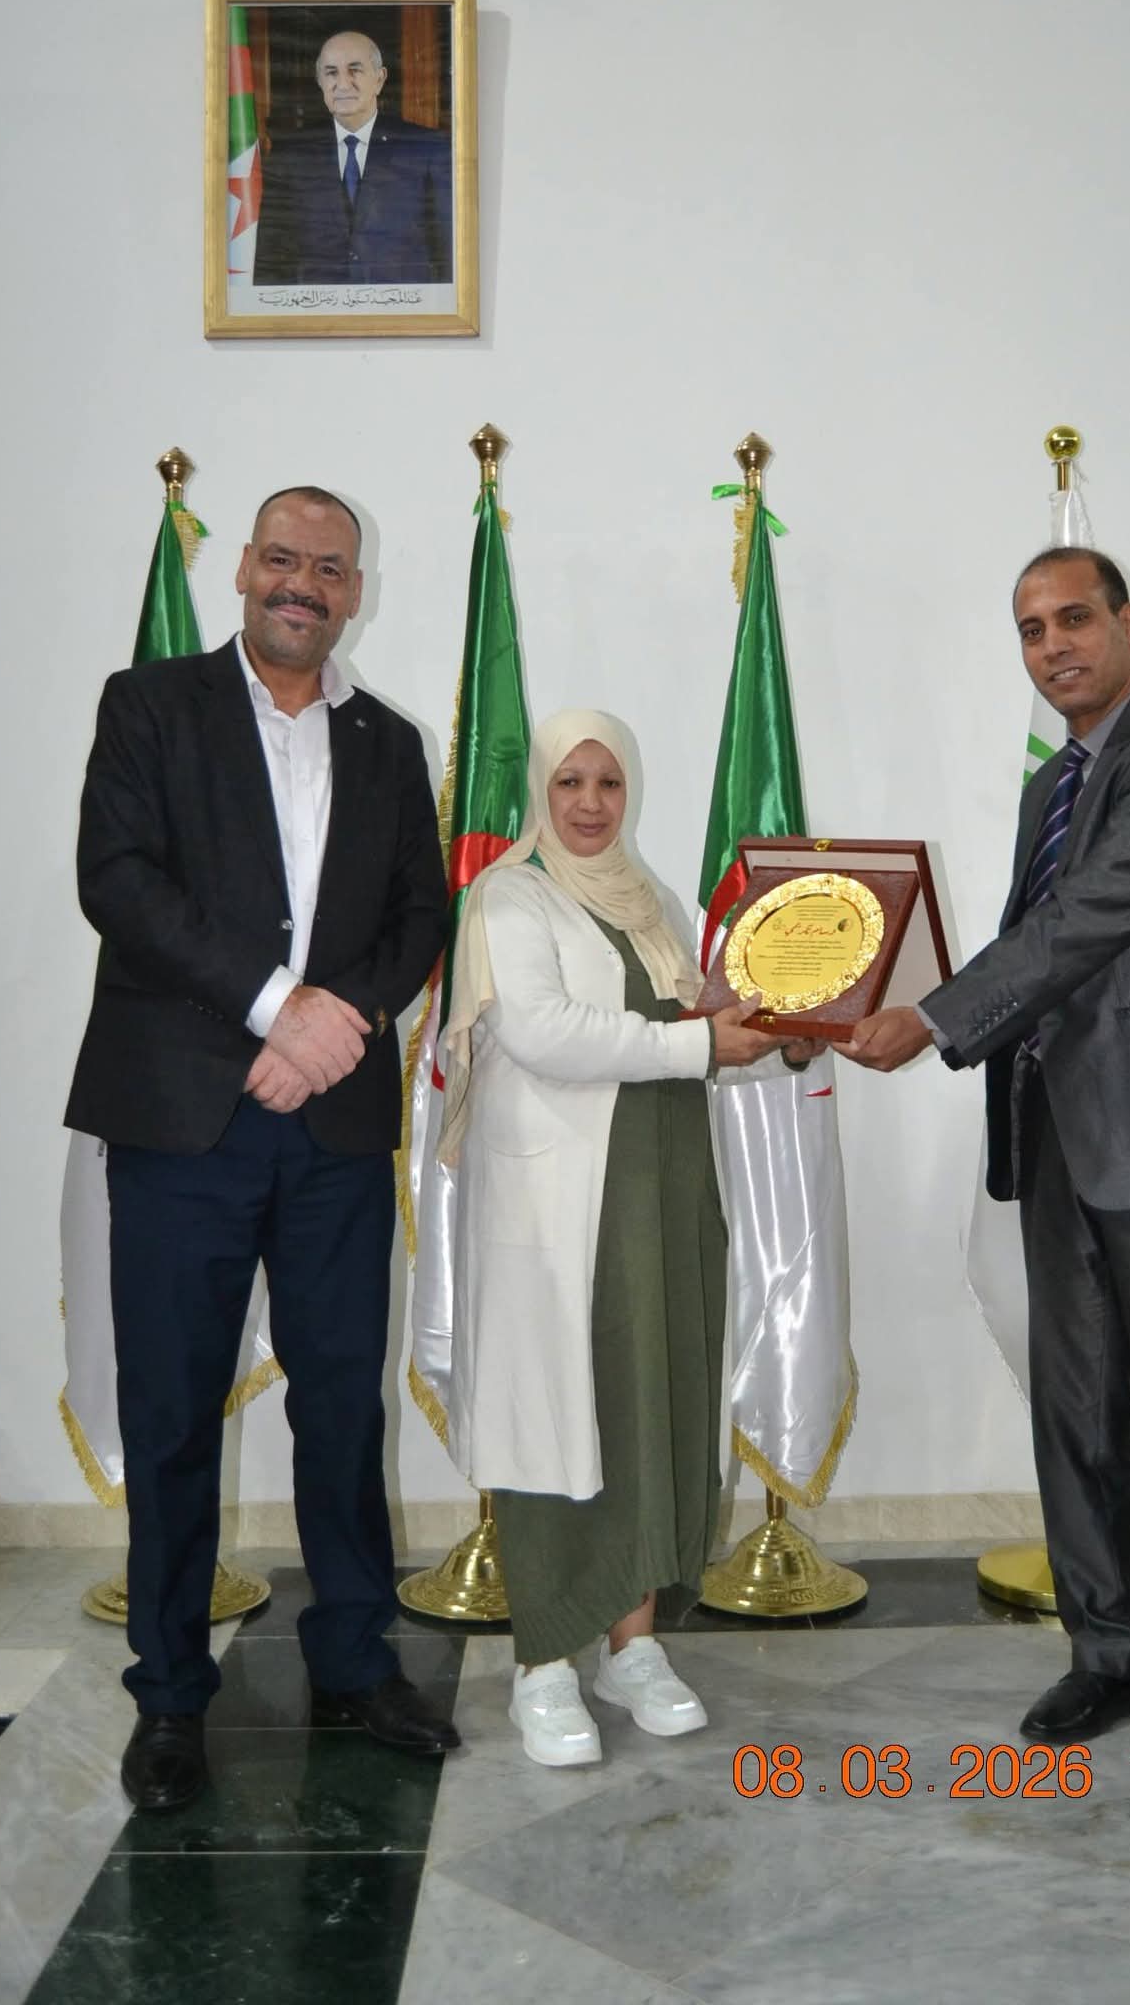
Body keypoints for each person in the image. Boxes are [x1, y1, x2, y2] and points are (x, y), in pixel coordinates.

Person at [839, 548, 1130, 1777]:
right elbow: (1039, 937)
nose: (1053, 646)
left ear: (1129, 620)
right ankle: (1110, 1648)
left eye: (1075, 618)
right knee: (1075, 1411)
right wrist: (872, 991)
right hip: (1056, 1137)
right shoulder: (1054, 782)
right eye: (1031, 629)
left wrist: (933, 1019)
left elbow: (1093, 915)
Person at [65, 485, 456, 1812]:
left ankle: (353, 1659)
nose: (303, 583)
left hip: (332, 1125)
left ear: (355, 591)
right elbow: (119, 882)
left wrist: (333, 1027)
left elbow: (419, 916)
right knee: (172, 1414)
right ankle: (171, 1693)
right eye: (282, 559)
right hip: (184, 1122)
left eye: (329, 568)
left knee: (342, 1406)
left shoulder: (389, 740)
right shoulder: (149, 705)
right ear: (242, 569)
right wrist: (275, 1006)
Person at [437, 711, 817, 1767]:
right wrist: (701, 1042)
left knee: (652, 1401)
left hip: (660, 1186)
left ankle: (631, 1646)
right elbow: (544, 1031)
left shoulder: (653, 901)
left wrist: (793, 1028)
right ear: (542, 792)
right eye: (571, 781)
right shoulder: (509, 896)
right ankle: (543, 1662)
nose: (592, 802)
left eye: (608, 781)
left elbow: (701, 1025)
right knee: (556, 1411)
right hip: (559, 1206)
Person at [253, 30, 453, 287]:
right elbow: (270, 259)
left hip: (401, 307)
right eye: (331, 73)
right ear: (320, 82)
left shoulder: (426, 149)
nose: (343, 84)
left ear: (379, 79)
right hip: (316, 308)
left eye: (355, 70)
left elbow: (449, 254)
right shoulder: (291, 155)